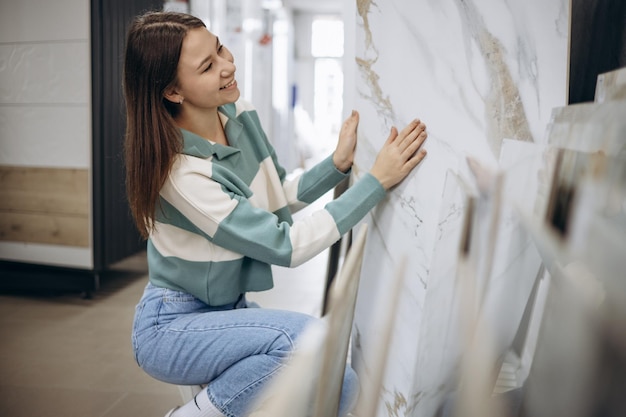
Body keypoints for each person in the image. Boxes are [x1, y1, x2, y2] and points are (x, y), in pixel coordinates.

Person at [123, 10, 428, 417]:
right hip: (174, 324)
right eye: (208, 66)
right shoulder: (181, 174)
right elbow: (285, 243)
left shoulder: (237, 113)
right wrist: (376, 181)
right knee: (313, 342)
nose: (228, 65)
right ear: (174, 92)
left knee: (341, 383)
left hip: (230, 312)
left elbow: (274, 194)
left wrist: (336, 164)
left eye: (220, 49)